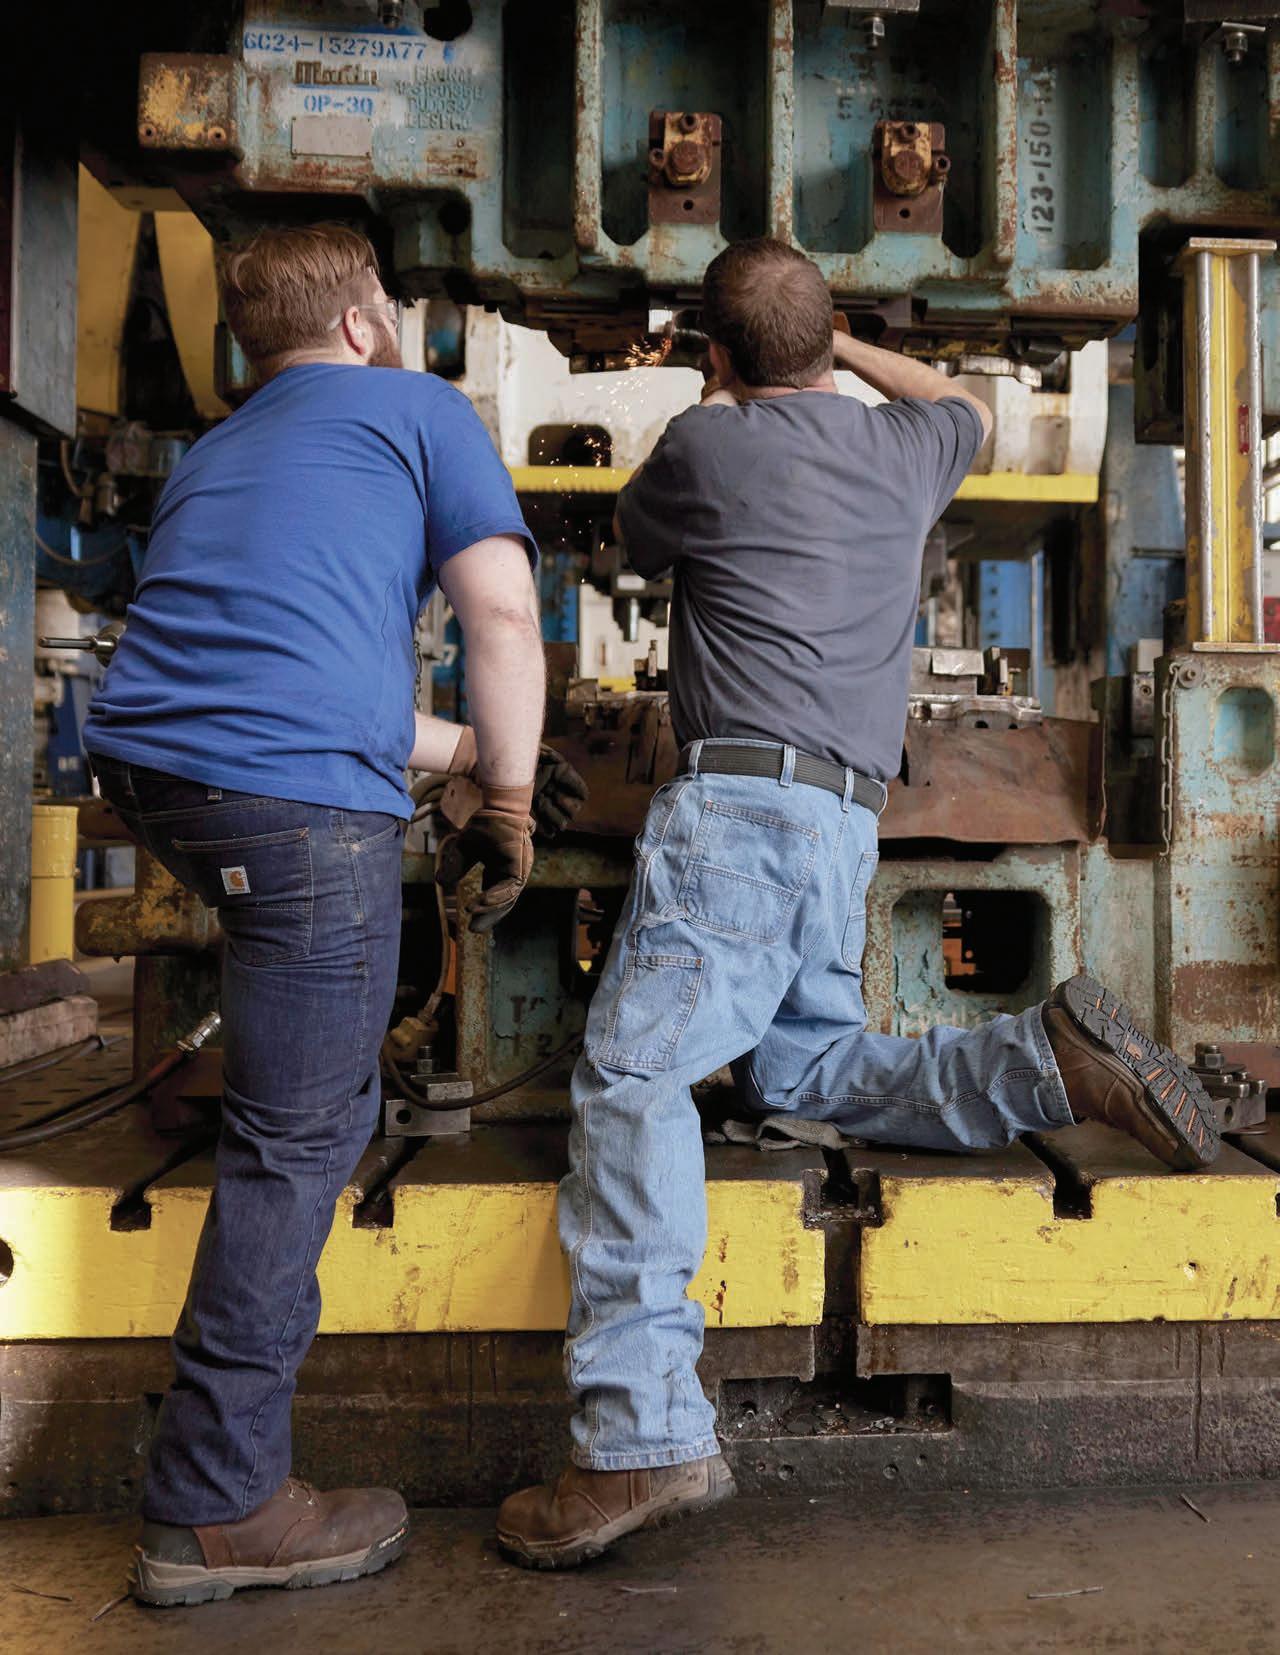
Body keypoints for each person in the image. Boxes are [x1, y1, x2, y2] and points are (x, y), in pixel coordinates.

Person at [495, 236, 1220, 1569]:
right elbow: (966, 403)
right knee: (808, 1068)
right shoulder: (909, 447)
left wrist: (725, 387)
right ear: (829, 343)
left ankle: (636, 1438)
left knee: (634, 1084)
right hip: (841, 823)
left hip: (738, 813)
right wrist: (833, 346)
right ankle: (1046, 1063)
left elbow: (635, 536)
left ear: (717, 355)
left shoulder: (707, 447)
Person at [83, 224, 580, 1606]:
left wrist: (459, 756)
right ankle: (216, 1506)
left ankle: (219, 1479)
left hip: (154, 777)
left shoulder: (217, 452)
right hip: (286, 809)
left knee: (296, 1065)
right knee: (300, 1135)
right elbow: (502, 616)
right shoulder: (421, 409)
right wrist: (511, 800)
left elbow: (277, 682)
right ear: (366, 324)